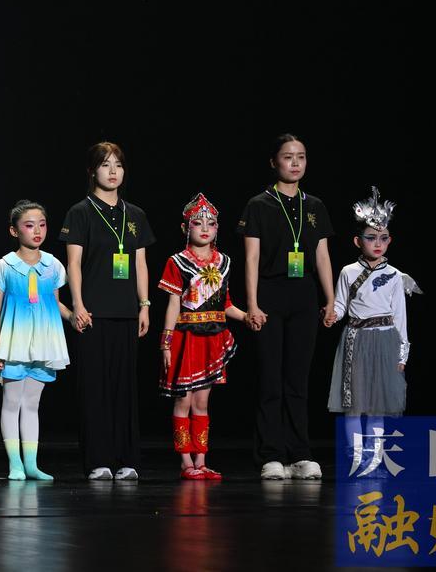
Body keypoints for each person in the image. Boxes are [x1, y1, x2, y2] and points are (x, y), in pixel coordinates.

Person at [240, 133, 336, 481]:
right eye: (288, 156)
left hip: (304, 295)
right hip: (270, 293)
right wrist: (252, 304)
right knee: (270, 379)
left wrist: (330, 300)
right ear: (274, 162)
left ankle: (300, 453)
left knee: (298, 379)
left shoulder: (315, 206)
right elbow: (251, 258)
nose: (295, 163)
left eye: (301, 156)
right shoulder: (259, 204)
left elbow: (322, 256)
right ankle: (271, 454)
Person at [61, 142, 155, 481]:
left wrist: (144, 305)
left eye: (118, 164)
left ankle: (127, 459)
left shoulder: (136, 214)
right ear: (92, 171)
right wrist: (78, 304)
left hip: (127, 311)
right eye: (105, 164)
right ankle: (98, 460)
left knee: (124, 388)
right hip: (93, 312)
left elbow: (140, 264)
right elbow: (73, 264)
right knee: (95, 388)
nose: (113, 171)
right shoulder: (80, 212)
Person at [158, 193, 248, 480]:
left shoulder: (224, 262)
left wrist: (247, 316)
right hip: (187, 340)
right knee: (183, 401)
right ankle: (185, 461)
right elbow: (174, 303)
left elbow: (225, 304)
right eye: (198, 223)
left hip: (213, 339)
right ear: (186, 228)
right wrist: (166, 342)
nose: (205, 228)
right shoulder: (177, 262)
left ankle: (201, 459)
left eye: (211, 223)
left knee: (202, 403)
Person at [0, 200, 73, 481]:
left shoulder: (53, 265)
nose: (37, 231)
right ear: (14, 231)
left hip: (43, 343)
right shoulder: (5, 266)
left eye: (42, 225)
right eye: (29, 225)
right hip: (14, 343)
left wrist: (73, 317)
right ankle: (15, 463)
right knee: (12, 402)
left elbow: (55, 303)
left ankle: (32, 463)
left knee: (32, 404)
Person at [328, 187, 416, 429]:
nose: (378, 243)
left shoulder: (395, 275)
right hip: (357, 338)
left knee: (379, 404)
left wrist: (402, 355)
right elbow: (341, 304)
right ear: (357, 241)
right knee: (355, 403)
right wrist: (332, 314)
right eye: (371, 237)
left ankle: (375, 452)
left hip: (386, 340)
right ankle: (356, 452)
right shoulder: (348, 272)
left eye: (383, 238)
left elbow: (400, 317)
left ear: (390, 240)